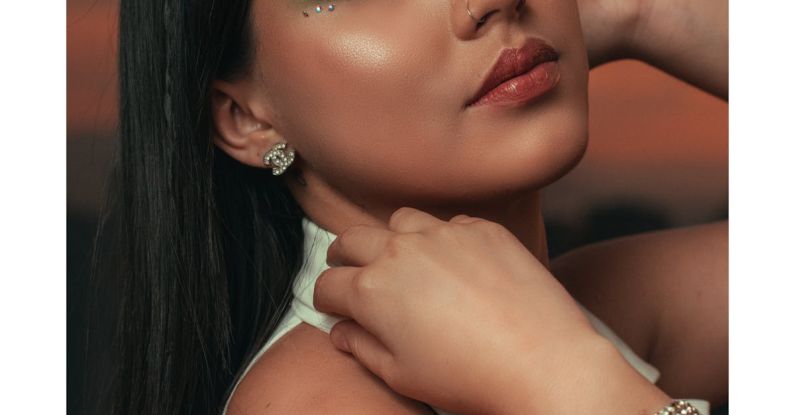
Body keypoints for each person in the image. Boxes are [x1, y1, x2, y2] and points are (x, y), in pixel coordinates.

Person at [95, 0, 727, 413]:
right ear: (247, 118)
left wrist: (649, 13)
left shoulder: (594, 307)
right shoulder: (323, 403)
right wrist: (573, 389)